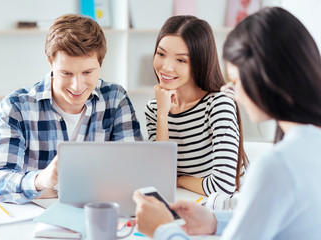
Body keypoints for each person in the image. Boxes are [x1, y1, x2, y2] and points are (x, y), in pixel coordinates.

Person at [133, 7, 321, 239]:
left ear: (265, 79)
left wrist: (163, 229)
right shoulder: (308, 149)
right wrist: (215, 221)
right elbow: (266, 218)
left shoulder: (277, 167)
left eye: (237, 80)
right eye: (161, 54)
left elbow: (227, 189)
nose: (232, 91)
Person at [0, 14, 143, 204]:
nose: (77, 86)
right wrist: (40, 180)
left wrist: (55, 190)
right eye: (66, 73)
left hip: (99, 211)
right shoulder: (17, 107)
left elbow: (134, 172)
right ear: (51, 63)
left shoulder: (115, 99)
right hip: (35, 221)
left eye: (87, 72)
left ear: (100, 63)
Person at [144, 15, 248, 196]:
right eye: (161, 54)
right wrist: (162, 115)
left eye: (181, 60)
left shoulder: (218, 105)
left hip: (228, 209)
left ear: (199, 63)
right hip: (188, 202)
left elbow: (223, 187)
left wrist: (179, 180)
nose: (166, 67)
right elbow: (161, 176)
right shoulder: (155, 108)